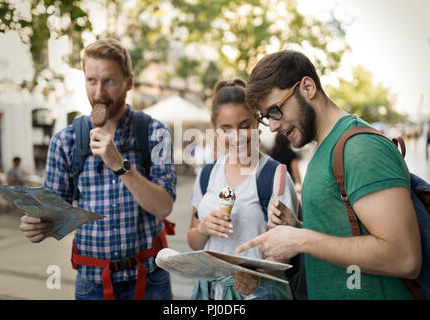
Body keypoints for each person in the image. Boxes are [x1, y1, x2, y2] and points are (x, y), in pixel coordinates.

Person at [236, 50, 421, 299]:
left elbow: (404, 257)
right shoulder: (325, 147)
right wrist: (297, 228)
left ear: (308, 87)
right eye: (266, 118)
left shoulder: (360, 147)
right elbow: (346, 235)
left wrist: (301, 239)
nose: (273, 126)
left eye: (276, 111)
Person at [19, 38, 177, 300]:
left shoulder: (155, 133)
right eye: (91, 80)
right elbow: (56, 214)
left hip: (149, 280)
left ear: (129, 82)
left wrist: (120, 164)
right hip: (93, 284)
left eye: (109, 81)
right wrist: (38, 226)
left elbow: (164, 207)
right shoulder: (65, 140)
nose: (99, 93)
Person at [187, 79, 300, 300]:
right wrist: (202, 229)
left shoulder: (275, 177)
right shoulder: (207, 174)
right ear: (215, 129)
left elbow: (284, 254)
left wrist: (259, 276)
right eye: (226, 129)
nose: (236, 137)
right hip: (211, 294)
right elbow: (193, 241)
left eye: (244, 126)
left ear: (257, 122)